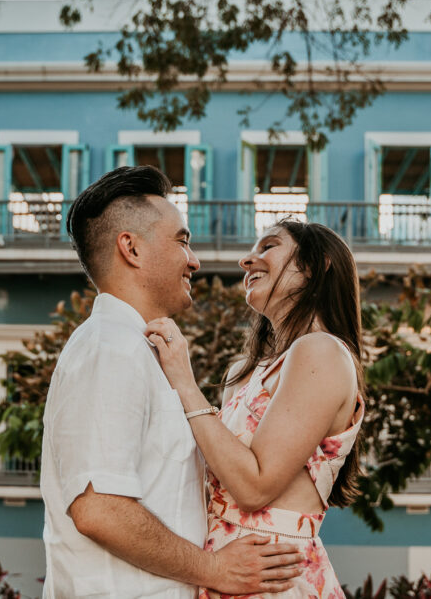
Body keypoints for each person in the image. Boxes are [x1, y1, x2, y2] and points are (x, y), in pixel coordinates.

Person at [40, 166, 304, 598]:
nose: (194, 260)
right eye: (182, 241)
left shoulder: (137, 349)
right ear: (132, 249)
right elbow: (99, 507)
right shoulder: (110, 347)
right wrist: (215, 569)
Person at [146, 219, 365, 597]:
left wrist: (184, 381)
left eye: (268, 247)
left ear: (318, 265)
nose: (247, 260)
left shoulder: (322, 352)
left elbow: (254, 487)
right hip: (223, 569)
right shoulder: (243, 373)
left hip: (271, 579)